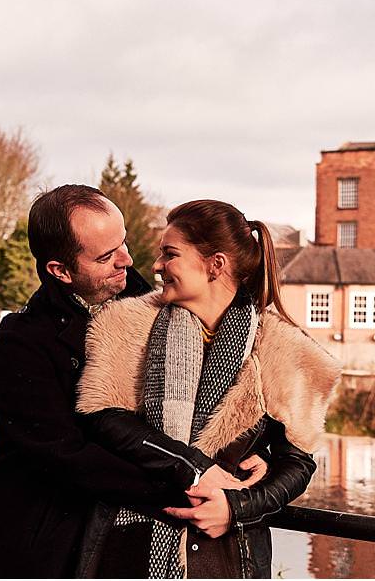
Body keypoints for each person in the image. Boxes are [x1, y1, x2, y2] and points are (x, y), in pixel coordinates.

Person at [0, 185, 268, 578]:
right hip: (43, 544)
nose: (127, 260)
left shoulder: (155, 301)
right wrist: (193, 484)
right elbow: (68, 455)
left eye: (122, 243)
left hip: (120, 538)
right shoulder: (21, 341)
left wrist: (258, 453)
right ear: (61, 271)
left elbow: (225, 381)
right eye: (107, 256)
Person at [75, 199, 341, 578]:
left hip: (230, 555)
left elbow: (297, 463)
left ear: (216, 264)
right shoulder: (127, 326)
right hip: (129, 547)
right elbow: (105, 421)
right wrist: (195, 469)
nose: (156, 267)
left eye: (170, 254)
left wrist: (237, 507)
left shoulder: (280, 349)